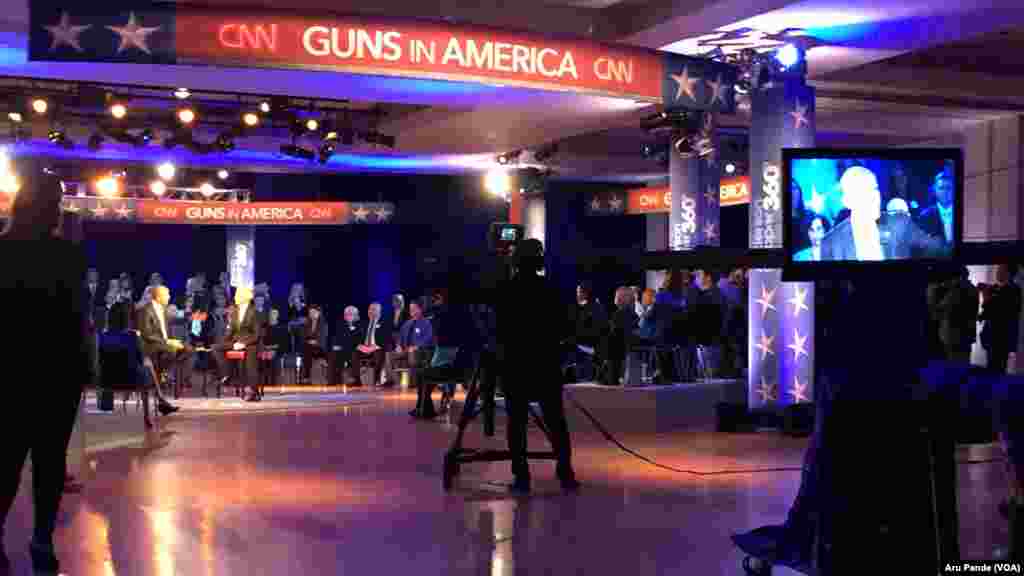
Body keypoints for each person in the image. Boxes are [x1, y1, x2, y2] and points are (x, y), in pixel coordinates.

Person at [0, 163, 90, 575]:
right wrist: (84, 368)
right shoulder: (67, 255)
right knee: (49, 464)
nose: (58, 209)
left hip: (10, 373)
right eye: (56, 202)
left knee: (5, 461)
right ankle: (40, 541)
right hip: (56, 375)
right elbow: (78, 319)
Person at [493, 239, 578, 493]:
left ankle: (522, 478)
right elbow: (565, 327)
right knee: (556, 422)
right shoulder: (551, 289)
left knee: (516, 424)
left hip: (515, 366)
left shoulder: (506, 290)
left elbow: (499, 330)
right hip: (546, 365)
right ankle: (565, 474)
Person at [137, 285, 187, 415]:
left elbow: (167, 331)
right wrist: (167, 342)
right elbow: (147, 334)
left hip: (164, 344)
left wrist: (170, 341)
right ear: (158, 297)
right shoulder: (145, 310)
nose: (169, 297)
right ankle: (163, 374)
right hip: (151, 345)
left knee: (188, 350)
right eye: (167, 295)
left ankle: (164, 372)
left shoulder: (164, 310)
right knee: (172, 350)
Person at [214, 287, 264, 401]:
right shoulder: (235, 311)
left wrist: (243, 344)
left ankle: (254, 392)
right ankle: (227, 373)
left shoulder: (254, 312)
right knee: (216, 347)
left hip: (250, 342)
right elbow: (230, 331)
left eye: (238, 295)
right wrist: (225, 342)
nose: (235, 297)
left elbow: (256, 335)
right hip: (236, 342)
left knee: (251, 364)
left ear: (245, 298)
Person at [980, 264, 1022, 374]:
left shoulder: (1011, 290)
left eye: (1000, 270)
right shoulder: (1008, 289)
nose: (997, 272)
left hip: (998, 338)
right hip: (998, 338)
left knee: (995, 370)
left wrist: (986, 295)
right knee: (996, 367)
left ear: (1008, 273)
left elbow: (992, 309)